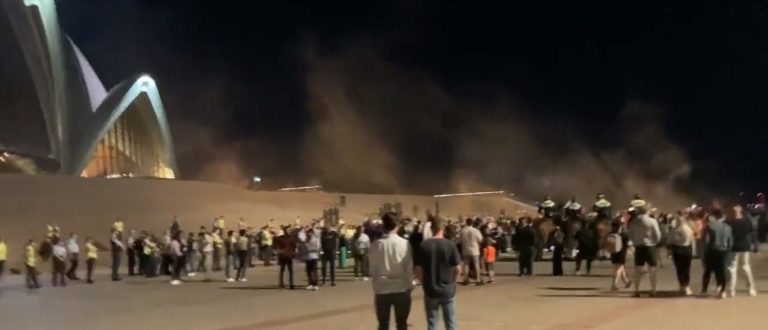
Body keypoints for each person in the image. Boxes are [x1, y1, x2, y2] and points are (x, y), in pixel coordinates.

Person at [415, 215, 461, 330]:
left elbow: (418, 269)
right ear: (443, 228)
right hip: (447, 289)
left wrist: (423, 282)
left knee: (432, 322)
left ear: (431, 228)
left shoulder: (424, 245)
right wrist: (453, 282)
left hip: (431, 289)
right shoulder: (450, 245)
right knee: (450, 322)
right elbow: (458, 269)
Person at [369, 212, 413, 330]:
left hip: (382, 288)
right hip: (401, 287)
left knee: (383, 324)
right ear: (397, 226)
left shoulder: (375, 245)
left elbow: (372, 268)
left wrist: (376, 282)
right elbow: (408, 267)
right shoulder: (405, 243)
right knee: (402, 323)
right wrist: (410, 284)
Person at [627, 206, 662, 297]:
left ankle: (636, 290)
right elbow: (658, 235)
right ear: (647, 211)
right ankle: (653, 290)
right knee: (652, 269)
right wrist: (654, 242)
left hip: (639, 247)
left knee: (638, 270)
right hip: (650, 247)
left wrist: (634, 242)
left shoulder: (634, 221)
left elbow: (630, 234)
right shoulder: (652, 221)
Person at [726, 205, 756, 297]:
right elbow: (751, 231)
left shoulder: (729, 222)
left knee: (735, 268)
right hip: (741, 246)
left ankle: (734, 290)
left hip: (736, 247)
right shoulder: (746, 220)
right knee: (742, 268)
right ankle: (747, 289)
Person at [701, 208, 732, 298]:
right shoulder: (727, 227)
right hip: (723, 251)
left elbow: (705, 240)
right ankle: (722, 290)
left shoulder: (709, 226)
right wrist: (727, 251)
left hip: (711, 250)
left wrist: (704, 251)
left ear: (714, 216)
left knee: (708, 271)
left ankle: (704, 290)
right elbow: (730, 242)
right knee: (721, 271)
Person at [668, 212, 694, 295]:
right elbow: (692, 240)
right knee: (686, 269)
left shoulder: (674, 230)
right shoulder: (689, 229)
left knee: (679, 269)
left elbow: (669, 241)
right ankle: (686, 286)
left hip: (677, 250)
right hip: (687, 250)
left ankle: (681, 286)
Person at [458, 218, 484, 285]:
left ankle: (465, 279)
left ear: (466, 223)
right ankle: (478, 280)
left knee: (466, 265)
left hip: (466, 249)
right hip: (475, 250)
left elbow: (459, 240)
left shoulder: (463, 230)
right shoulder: (476, 230)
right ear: (472, 223)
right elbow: (480, 239)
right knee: (476, 265)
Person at [607, 221, 631, 291]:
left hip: (613, 253)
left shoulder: (610, 234)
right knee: (618, 268)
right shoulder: (623, 235)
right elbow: (628, 243)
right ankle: (614, 285)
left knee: (621, 267)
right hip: (621, 253)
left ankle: (626, 282)